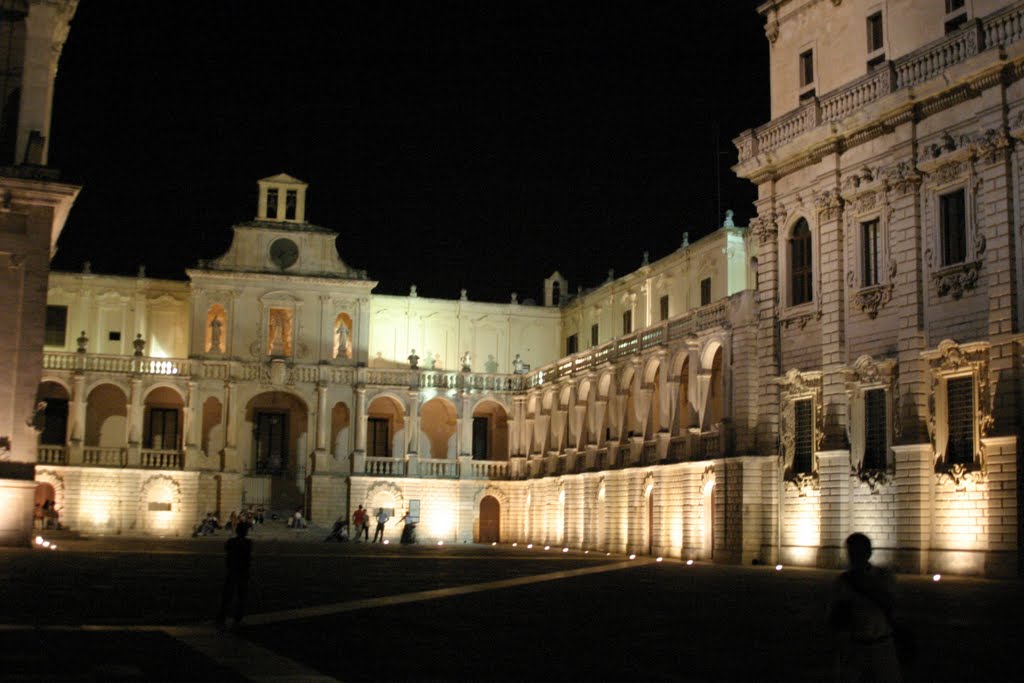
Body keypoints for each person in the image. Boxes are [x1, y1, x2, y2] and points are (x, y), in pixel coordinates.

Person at [829, 532, 902, 682]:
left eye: (857, 552)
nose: (854, 557)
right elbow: (836, 619)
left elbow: (891, 604)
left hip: (880, 646)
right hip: (857, 647)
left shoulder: (882, 577)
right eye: (852, 552)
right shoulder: (844, 582)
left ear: (868, 553)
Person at [217, 521, 252, 630]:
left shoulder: (231, 542)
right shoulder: (248, 543)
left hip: (232, 570)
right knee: (242, 595)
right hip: (242, 571)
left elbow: (227, 551)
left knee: (227, 595)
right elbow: (248, 558)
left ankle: (222, 616)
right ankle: (238, 617)